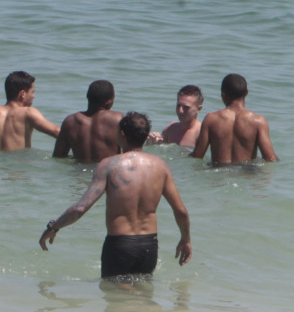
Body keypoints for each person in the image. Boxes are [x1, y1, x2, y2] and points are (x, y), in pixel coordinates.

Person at [39, 113, 190, 278]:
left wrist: (54, 227)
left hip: (120, 245)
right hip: (149, 245)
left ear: (122, 135)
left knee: (115, 298)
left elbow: (80, 208)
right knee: (143, 298)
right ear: (146, 136)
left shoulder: (109, 165)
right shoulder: (161, 166)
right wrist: (185, 239)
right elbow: (180, 210)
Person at [191, 74, 277, 165]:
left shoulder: (211, 119)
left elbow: (198, 155)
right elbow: (270, 158)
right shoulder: (258, 121)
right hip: (246, 174)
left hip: (219, 173)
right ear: (247, 92)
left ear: (223, 95)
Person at [54, 80, 124, 163]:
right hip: (105, 172)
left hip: (79, 173)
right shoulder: (118, 119)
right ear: (108, 102)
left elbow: (58, 157)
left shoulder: (70, 121)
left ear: (88, 97)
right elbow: (132, 153)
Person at [1, 71, 61, 151]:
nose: (33, 96)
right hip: (20, 161)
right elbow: (56, 131)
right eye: (32, 92)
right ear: (22, 94)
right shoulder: (27, 112)